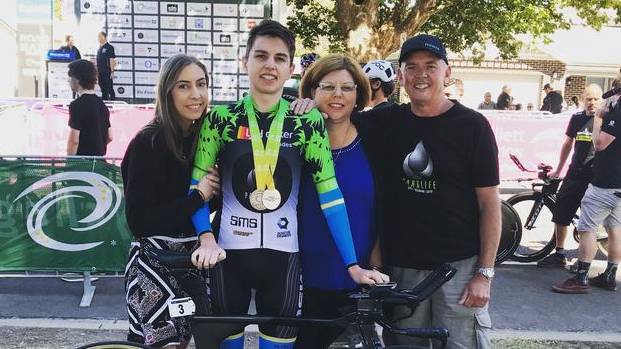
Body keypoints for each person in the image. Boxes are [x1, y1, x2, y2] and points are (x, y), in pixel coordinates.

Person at [188, 20, 387, 348]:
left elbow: (330, 193)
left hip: (284, 263)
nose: (270, 65)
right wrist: (206, 238)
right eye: (261, 56)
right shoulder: (221, 118)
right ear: (245, 61)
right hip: (227, 259)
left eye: (279, 58)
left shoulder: (307, 122)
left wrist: (352, 265)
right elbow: (196, 184)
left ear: (291, 67)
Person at [351, 34, 501, 348]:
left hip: (459, 267)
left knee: (462, 343)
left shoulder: (473, 126)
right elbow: (335, 114)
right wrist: (309, 104)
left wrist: (484, 273)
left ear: (447, 72)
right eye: (412, 67)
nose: (421, 75)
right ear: (401, 76)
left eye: (431, 66)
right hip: (403, 267)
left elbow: (489, 204)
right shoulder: (384, 122)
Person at [121, 54, 223, 348]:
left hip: (194, 262)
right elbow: (139, 220)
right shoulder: (148, 143)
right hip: (155, 265)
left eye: (201, 84)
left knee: (193, 341)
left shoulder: (205, 138)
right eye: (183, 86)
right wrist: (199, 196)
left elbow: (206, 204)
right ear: (168, 92)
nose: (196, 94)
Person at [295, 54, 387, 348]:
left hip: (357, 278)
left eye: (347, 88)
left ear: (359, 95)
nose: (337, 95)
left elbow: (385, 207)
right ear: (312, 91)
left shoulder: (374, 139)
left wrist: (377, 261)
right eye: (328, 87)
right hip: (300, 279)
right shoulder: (293, 137)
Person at [552, 87, 621, 294]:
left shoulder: (615, 113)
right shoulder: (578, 118)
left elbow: (600, 144)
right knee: (614, 229)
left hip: (605, 182)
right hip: (616, 184)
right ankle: (609, 276)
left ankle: (581, 278)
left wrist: (600, 117)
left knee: (587, 228)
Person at [537, 84, 603, 268]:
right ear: (583, 100)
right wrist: (559, 169)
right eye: (589, 99)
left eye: (596, 99)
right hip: (574, 173)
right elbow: (567, 144)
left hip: (594, 177)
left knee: (587, 221)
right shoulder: (576, 118)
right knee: (561, 213)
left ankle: (584, 261)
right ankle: (559, 253)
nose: (592, 103)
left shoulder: (605, 120)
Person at [66, 59, 113, 156]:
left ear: (77, 79)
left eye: (70, 77)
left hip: (82, 164)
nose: (69, 81)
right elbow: (110, 136)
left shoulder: (76, 105)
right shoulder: (102, 105)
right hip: (100, 164)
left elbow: (74, 141)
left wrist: (70, 162)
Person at [96, 31, 116, 101]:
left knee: (110, 88)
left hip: (107, 71)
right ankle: (105, 103)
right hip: (100, 72)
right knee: (103, 90)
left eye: (100, 36)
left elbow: (112, 60)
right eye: (98, 36)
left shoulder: (110, 47)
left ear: (104, 37)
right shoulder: (99, 48)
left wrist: (112, 71)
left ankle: (113, 103)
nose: (98, 38)